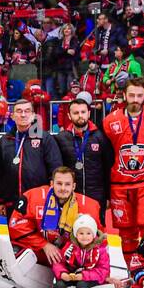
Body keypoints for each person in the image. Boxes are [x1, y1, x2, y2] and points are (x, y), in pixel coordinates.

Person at [102, 78, 144, 262]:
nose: (135, 99)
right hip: (120, 185)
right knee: (125, 233)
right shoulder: (110, 120)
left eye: (139, 95)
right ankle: (133, 276)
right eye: (131, 95)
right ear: (124, 95)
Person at [9, 166, 102, 265]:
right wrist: (44, 244)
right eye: (59, 183)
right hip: (38, 251)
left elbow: (100, 242)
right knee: (15, 250)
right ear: (52, 184)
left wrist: (104, 273)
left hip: (68, 257)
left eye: (67, 184)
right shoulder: (32, 197)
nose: (63, 188)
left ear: (73, 186)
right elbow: (16, 226)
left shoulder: (89, 206)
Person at [0, 99, 63, 218]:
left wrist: (53, 198)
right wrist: (0, 200)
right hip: (12, 202)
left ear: (33, 115)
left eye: (27, 111)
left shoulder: (44, 138)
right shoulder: (5, 141)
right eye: (19, 111)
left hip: (39, 202)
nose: (23, 114)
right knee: (15, 236)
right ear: (13, 116)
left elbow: (56, 169)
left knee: (39, 236)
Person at [54, 93, 113, 226]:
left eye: (83, 112)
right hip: (71, 195)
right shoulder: (61, 138)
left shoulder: (101, 137)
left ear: (89, 113)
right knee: (71, 232)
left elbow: (108, 167)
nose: (80, 115)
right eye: (75, 113)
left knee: (96, 232)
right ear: (69, 116)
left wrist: (108, 196)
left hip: (97, 195)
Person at [48, 213, 110, 288]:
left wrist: (84, 275)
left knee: (82, 285)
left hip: (92, 278)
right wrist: (62, 274)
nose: (84, 236)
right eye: (81, 233)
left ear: (94, 233)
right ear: (76, 234)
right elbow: (59, 262)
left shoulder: (100, 250)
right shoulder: (70, 247)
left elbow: (104, 271)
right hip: (74, 275)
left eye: (88, 233)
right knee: (60, 284)